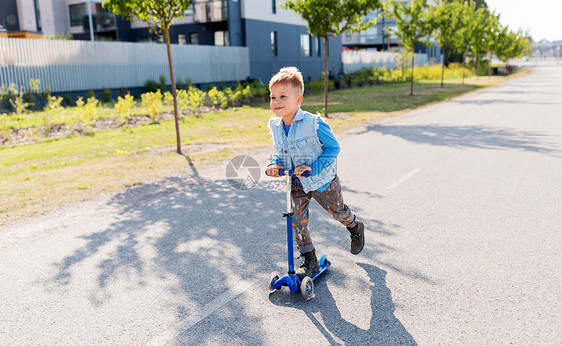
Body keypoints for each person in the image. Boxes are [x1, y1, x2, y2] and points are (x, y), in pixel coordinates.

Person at [266, 66, 365, 279]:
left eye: (283, 96)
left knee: (338, 212)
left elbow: (333, 148)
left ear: (299, 99)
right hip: (296, 182)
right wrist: (274, 164)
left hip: (322, 181)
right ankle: (309, 258)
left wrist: (313, 168)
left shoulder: (314, 123)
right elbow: (279, 152)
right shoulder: (275, 125)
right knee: (296, 219)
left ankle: (355, 226)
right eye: (273, 97)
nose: (276, 102)